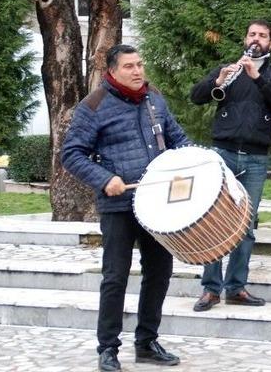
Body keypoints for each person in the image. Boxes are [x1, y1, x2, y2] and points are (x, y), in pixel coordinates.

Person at [62, 44, 189, 371]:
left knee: (159, 273)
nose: (138, 71)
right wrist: (105, 179)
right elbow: (72, 154)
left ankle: (146, 341)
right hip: (118, 207)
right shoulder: (93, 106)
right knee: (115, 277)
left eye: (140, 64)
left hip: (159, 206)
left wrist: (195, 164)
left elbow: (179, 140)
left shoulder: (154, 100)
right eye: (130, 66)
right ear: (113, 71)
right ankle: (108, 348)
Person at [189, 19, 271, 311]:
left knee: (246, 224)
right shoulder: (229, 69)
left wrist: (258, 77)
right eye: (252, 34)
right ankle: (210, 289)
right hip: (222, 153)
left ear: (270, 43)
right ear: (245, 39)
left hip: (257, 157)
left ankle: (236, 287)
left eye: (262, 36)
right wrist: (217, 82)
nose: (256, 39)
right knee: (213, 220)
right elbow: (196, 97)